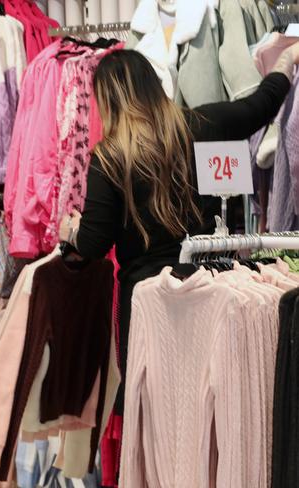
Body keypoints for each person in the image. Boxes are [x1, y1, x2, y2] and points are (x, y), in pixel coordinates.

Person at [58, 45, 299, 412]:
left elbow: (92, 244)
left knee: (155, 417)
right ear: (154, 86)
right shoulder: (200, 126)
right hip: (206, 289)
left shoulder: (110, 158)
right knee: (205, 412)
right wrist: (288, 59)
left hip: (148, 303)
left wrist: (71, 231)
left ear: (109, 99)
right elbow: (263, 105)